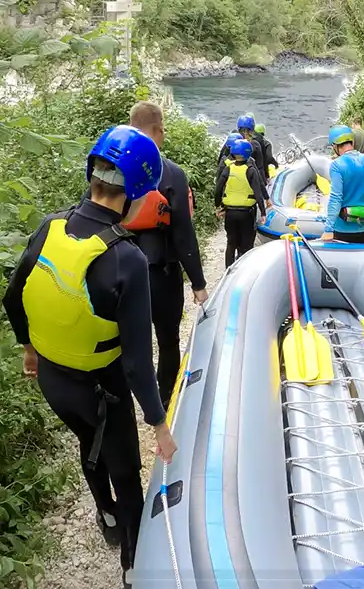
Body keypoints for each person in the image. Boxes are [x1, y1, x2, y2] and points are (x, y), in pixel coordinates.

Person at [2, 125, 178, 589]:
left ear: (93, 175)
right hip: (106, 393)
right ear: (135, 193)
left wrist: (29, 348)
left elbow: (13, 295)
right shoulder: (128, 260)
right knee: (125, 472)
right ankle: (132, 565)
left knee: (86, 441)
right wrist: (160, 426)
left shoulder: (50, 225)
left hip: (55, 383)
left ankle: (105, 516)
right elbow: (139, 361)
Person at [104, 101, 208, 410]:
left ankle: (119, 400)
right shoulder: (171, 173)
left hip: (117, 269)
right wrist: (198, 282)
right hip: (160, 273)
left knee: (122, 340)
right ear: (158, 130)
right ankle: (166, 400)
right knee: (167, 338)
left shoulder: (111, 167)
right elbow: (183, 233)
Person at [319, 124, 364, 244]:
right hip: (363, 227)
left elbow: (336, 198)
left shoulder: (337, 165)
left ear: (335, 146)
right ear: (352, 142)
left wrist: (328, 229)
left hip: (341, 228)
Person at [214, 138, 268, 267]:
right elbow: (257, 192)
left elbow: (218, 189)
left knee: (231, 242)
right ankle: (243, 269)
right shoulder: (250, 170)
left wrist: (218, 206)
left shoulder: (228, 168)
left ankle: (228, 270)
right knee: (246, 243)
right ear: (248, 153)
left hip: (230, 212)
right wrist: (263, 212)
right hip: (247, 213)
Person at [237, 113, 268, 186]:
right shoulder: (257, 142)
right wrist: (265, 181)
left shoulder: (232, 141)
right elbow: (261, 165)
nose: (245, 133)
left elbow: (222, 161)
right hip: (251, 178)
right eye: (243, 131)